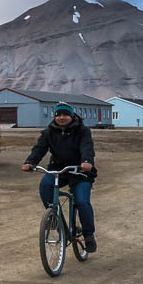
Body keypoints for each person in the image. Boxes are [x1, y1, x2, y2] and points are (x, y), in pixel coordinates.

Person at [22, 102, 98, 252]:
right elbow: (39, 149)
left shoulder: (82, 131)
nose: (62, 117)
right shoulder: (48, 132)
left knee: (82, 201)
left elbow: (87, 147)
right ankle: (57, 221)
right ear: (55, 116)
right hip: (59, 169)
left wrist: (87, 161)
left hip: (80, 171)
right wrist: (30, 162)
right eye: (59, 115)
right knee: (45, 185)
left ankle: (89, 235)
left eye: (65, 115)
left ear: (71, 116)